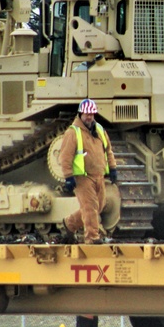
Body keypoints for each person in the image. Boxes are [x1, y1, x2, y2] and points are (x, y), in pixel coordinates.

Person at [59, 99, 117, 244]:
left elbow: (108, 150)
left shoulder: (100, 130)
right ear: (81, 114)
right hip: (82, 177)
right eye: (86, 114)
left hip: (99, 175)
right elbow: (65, 156)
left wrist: (113, 167)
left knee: (100, 205)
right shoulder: (73, 132)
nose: (89, 117)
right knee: (90, 207)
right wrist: (68, 176)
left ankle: (69, 224)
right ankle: (92, 238)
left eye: (92, 114)